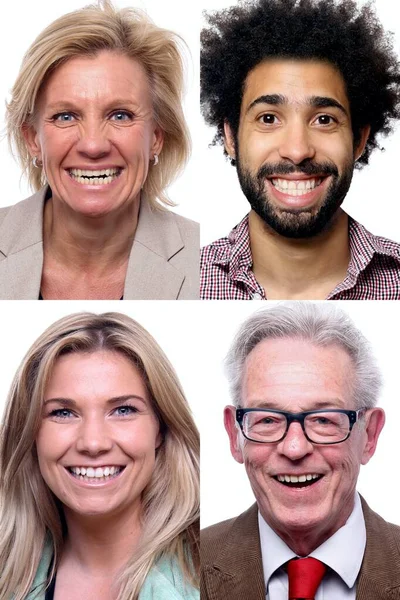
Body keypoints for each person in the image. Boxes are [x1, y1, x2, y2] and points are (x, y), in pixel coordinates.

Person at [200, 0, 400, 300]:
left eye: (323, 119)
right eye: (268, 118)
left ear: (358, 139)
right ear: (231, 136)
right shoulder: (184, 281)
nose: (297, 151)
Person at [1, 0, 198, 300]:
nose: (93, 145)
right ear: (33, 139)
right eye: (65, 116)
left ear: (156, 137)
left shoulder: (202, 259)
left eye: (120, 115)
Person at [201, 302, 399, 599]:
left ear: (369, 436)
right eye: (268, 419)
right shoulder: (190, 564)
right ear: (235, 434)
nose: (294, 448)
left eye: (323, 420)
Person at [0, 312, 199, 599]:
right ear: (31, 434)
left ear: (160, 427)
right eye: (63, 412)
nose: (93, 443)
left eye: (123, 410)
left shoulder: (214, 568)